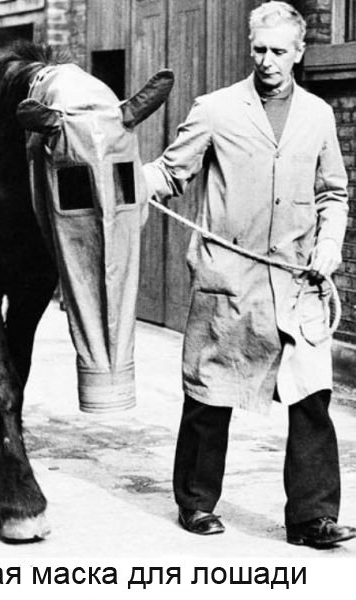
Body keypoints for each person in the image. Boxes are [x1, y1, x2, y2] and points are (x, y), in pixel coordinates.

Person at [144, 1, 356, 548]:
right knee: (209, 395)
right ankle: (196, 502)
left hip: (298, 282)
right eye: (259, 49)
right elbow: (169, 173)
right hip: (230, 280)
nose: (267, 60)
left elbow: (333, 193)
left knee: (311, 397)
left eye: (279, 51)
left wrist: (329, 246)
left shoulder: (318, 115)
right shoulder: (216, 110)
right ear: (250, 47)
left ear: (299, 52)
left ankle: (312, 518)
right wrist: (116, 176)